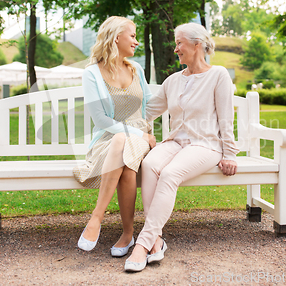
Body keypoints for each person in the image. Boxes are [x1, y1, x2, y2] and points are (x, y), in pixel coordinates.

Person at [124, 22, 239, 272]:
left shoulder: (218, 75)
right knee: (150, 164)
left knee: (169, 173)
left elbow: (226, 118)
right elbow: (147, 112)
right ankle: (156, 239)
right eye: (176, 44)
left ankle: (142, 245)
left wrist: (229, 154)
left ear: (197, 45)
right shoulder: (173, 81)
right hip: (176, 142)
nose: (176, 49)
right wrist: (117, 119)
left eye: (179, 43)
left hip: (205, 145)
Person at [73, 16, 156, 257]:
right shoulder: (91, 74)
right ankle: (128, 233)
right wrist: (138, 133)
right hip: (107, 140)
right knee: (126, 163)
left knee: (126, 147)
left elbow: (150, 105)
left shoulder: (136, 69)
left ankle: (95, 220)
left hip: (140, 139)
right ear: (116, 37)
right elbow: (101, 120)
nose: (136, 42)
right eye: (132, 35)